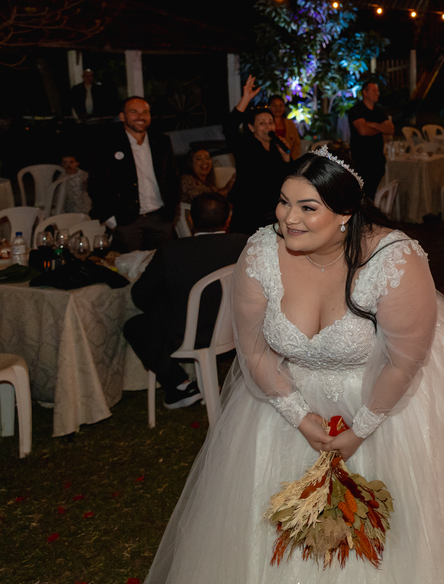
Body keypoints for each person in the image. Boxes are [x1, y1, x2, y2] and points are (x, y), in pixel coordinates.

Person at [141, 146, 444, 583]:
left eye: (307, 207)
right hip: (287, 399)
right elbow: (254, 350)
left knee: (407, 539)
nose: (288, 218)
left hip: (388, 402)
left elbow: (403, 363)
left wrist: (361, 430)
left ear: (345, 214)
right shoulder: (260, 253)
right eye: (283, 201)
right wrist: (298, 415)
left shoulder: (394, 260)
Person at [123, 193, 249, 410]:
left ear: (190, 219)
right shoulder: (244, 244)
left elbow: (140, 296)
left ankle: (179, 385)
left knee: (135, 326)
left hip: (187, 336)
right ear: (228, 219)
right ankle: (183, 386)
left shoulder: (171, 251)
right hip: (239, 328)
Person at [88, 96, 180, 252]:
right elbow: (96, 184)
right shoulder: (108, 144)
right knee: (129, 265)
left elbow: (174, 178)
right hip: (127, 222)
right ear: (122, 116)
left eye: (145, 112)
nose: (140, 116)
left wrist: (172, 212)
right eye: (134, 112)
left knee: (163, 264)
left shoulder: (162, 142)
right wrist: (110, 220)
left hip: (160, 219)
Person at [225, 76, 294, 235]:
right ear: (251, 127)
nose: (268, 126)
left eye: (270, 122)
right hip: (248, 214)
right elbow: (229, 127)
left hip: (273, 213)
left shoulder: (276, 147)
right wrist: (246, 98)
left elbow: (289, 178)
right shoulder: (245, 146)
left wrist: (286, 158)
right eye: (262, 123)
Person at [348, 81, 395, 202]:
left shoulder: (379, 111)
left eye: (377, 91)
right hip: (362, 160)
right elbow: (363, 131)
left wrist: (371, 124)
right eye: (374, 90)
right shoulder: (356, 110)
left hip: (378, 160)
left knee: (372, 193)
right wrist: (380, 127)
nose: (377, 93)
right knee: (363, 194)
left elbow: (390, 129)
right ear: (365, 92)